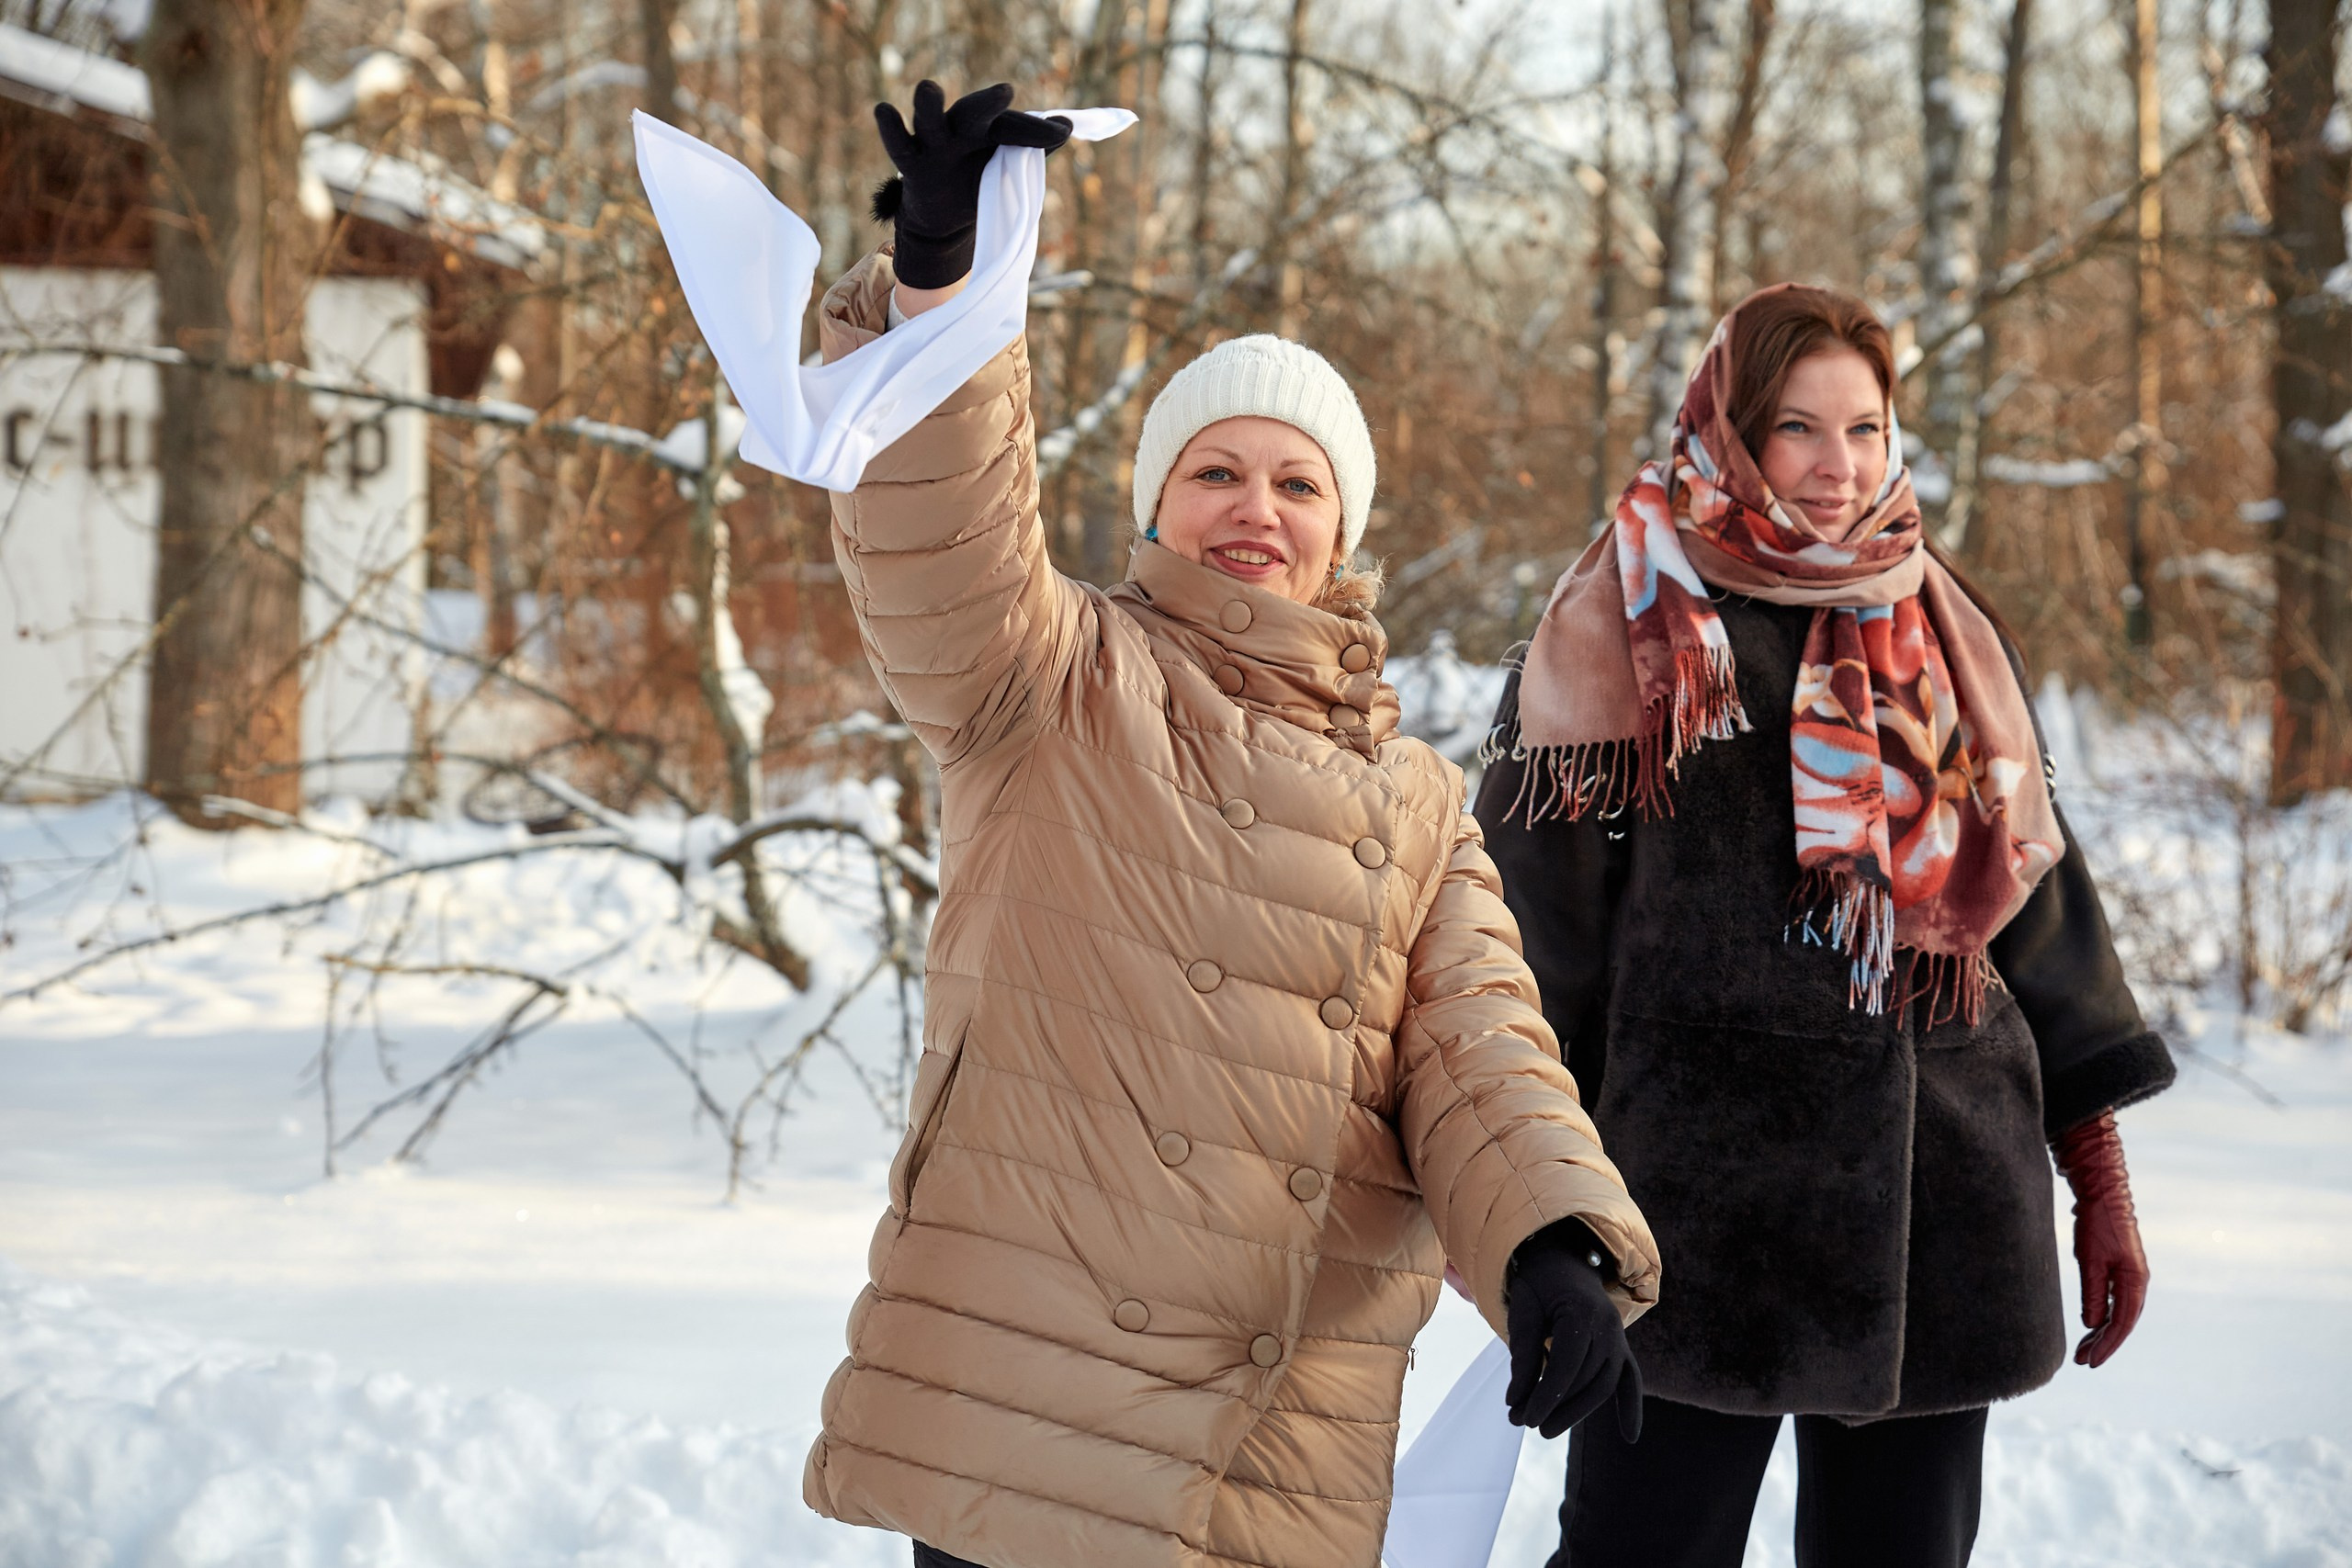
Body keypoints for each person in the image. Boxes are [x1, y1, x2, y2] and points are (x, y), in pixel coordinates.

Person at [797, 83, 1662, 1568]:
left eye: (1296, 481)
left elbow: (1480, 1055)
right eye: (1214, 470)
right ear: (1153, 507)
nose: (1255, 507)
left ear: (1344, 530)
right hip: (1030, 1397)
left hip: (1272, 1434)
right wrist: (944, 272)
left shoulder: (1415, 799)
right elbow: (937, 523)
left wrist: (1552, 1245)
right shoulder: (1049, 673)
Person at [1474, 283, 2177, 1568]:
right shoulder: (1616, 626)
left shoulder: (1946, 625)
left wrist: (2102, 1181)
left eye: (1865, 429)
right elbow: (1519, 964)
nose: (1838, 466)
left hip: (1942, 1213)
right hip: (1687, 1232)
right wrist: (1540, 1225)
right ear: (1731, 430)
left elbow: (2040, 919)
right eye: (1798, 428)